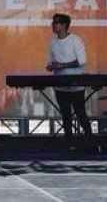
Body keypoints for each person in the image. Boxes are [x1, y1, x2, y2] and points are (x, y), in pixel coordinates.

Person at [45, 12, 93, 150]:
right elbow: (50, 61)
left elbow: (82, 61)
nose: (52, 25)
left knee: (80, 113)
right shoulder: (52, 43)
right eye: (52, 23)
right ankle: (69, 143)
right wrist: (51, 66)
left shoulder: (75, 40)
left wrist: (63, 65)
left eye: (55, 23)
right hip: (59, 84)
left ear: (64, 25)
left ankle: (89, 141)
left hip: (76, 84)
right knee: (65, 115)